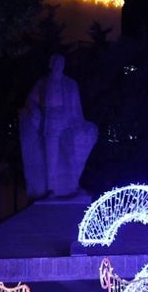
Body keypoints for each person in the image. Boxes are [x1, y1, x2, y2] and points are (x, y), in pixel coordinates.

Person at [18, 54, 98, 198]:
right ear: (50, 64)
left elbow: (77, 109)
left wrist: (81, 125)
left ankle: (73, 186)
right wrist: (35, 110)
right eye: (55, 62)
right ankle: (50, 189)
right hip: (50, 123)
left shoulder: (70, 84)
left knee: (74, 153)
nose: (58, 66)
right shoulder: (43, 83)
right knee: (51, 157)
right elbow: (31, 100)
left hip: (68, 124)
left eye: (61, 63)